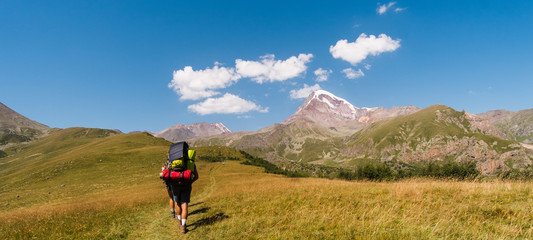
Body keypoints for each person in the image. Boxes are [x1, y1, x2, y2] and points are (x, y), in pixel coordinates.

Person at [169, 149, 199, 234]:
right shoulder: (190, 162)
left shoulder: (172, 162)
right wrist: (189, 182)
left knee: (177, 203)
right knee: (184, 204)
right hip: (186, 185)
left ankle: (179, 222)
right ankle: (183, 227)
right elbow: (196, 176)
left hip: (175, 186)